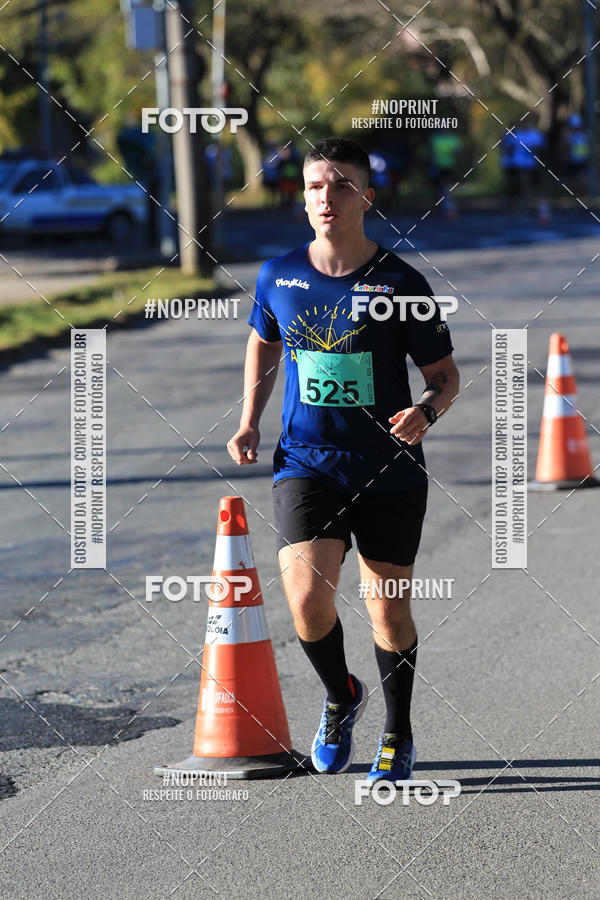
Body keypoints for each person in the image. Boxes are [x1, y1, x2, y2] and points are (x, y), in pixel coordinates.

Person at [227, 137, 459, 785]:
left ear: (367, 196)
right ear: (303, 198)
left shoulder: (400, 283)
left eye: (340, 185)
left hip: (388, 470)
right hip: (307, 463)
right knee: (306, 600)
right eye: (315, 187)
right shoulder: (279, 275)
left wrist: (427, 412)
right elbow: (263, 344)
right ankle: (340, 696)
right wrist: (248, 419)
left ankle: (397, 732)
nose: (325, 198)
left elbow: (445, 377)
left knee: (387, 609)